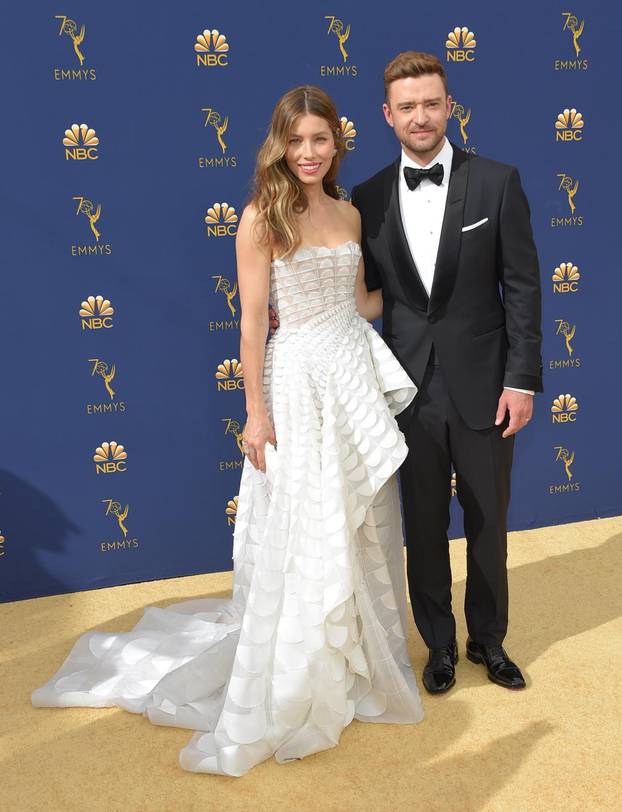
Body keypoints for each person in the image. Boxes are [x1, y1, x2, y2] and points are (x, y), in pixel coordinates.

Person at [31, 86, 423, 777]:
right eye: (296, 140)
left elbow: (360, 301)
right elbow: (250, 322)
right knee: (307, 519)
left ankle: (359, 659)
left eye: (320, 140)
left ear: (338, 143)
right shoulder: (261, 217)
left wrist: (427, 289)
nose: (308, 153)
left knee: (359, 516)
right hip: (296, 379)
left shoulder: (353, 213)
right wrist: (256, 411)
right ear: (280, 143)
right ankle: (304, 668)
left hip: (349, 372)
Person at [350, 52, 542, 694]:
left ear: (449, 106)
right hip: (408, 389)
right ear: (388, 116)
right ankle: (437, 644)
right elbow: (363, 297)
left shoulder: (497, 182)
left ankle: (488, 639)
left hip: (487, 385)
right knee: (424, 524)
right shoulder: (369, 197)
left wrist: (522, 379)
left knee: (489, 520)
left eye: (431, 103)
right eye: (407, 106)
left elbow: (522, 288)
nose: (420, 116)